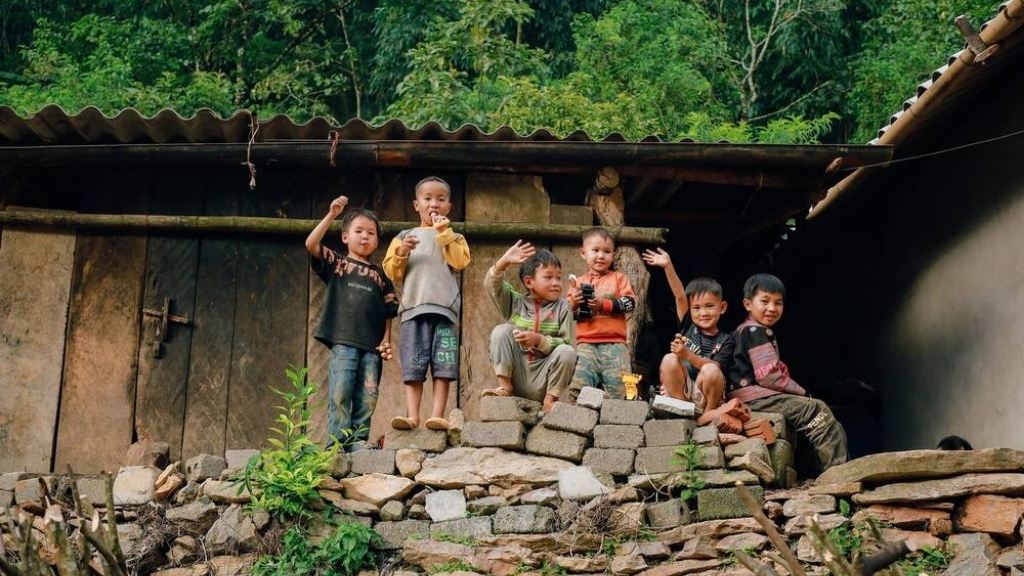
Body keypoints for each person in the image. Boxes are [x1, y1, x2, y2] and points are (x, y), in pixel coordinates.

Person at [728, 273, 848, 472]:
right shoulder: (755, 331)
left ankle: (825, 472)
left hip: (747, 398)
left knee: (824, 420)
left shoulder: (742, 331)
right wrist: (801, 392)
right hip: (755, 397)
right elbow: (768, 375)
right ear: (748, 304)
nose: (772, 308)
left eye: (778, 303)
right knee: (816, 410)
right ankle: (839, 474)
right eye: (765, 301)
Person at [305, 196, 398, 451]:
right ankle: (336, 444)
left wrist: (386, 339)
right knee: (341, 393)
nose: (365, 236)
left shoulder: (381, 276)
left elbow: (390, 309)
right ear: (345, 237)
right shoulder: (338, 264)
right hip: (344, 342)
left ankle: (357, 442)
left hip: (372, 348)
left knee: (368, 396)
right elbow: (311, 243)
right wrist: (331, 215)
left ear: (377, 240)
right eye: (358, 231)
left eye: (371, 233)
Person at [382, 176, 471, 431]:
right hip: (413, 311)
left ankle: (438, 414)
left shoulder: (456, 238)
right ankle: (412, 416)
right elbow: (392, 272)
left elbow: (459, 262)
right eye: (428, 198)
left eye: (440, 200)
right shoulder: (404, 236)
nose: (434, 204)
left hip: (445, 312)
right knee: (414, 365)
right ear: (416, 204)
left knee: (443, 365)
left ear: (449, 207)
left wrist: (444, 234)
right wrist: (402, 252)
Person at [643, 248, 745, 432]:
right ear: (690, 311)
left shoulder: (727, 340)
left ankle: (708, 416)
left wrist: (687, 354)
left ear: (722, 308)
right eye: (696, 308)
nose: (703, 313)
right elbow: (679, 295)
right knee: (669, 359)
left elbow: (714, 369)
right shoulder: (688, 325)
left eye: (709, 306)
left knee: (710, 369)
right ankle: (682, 411)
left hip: (707, 395)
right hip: (683, 392)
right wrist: (668, 266)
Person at [481, 241, 577, 413]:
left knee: (567, 351)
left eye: (558, 277)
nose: (556, 282)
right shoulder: (515, 302)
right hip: (518, 374)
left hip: (544, 378)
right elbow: (491, 286)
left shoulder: (563, 307)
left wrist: (540, 341)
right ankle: (505, 387)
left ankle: (550, 401)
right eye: (548, 277)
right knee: (501, 331)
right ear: (529, 282)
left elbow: (566, 342)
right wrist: (504, 262)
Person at [566, 227, 636, 400]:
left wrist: (602, 304)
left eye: (606, 251)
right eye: (595, 250)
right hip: (585, 346)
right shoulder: (578, 282)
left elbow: (630, 303)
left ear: (613, 254)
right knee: (577, 391)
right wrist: (574, 303)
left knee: (627, 394)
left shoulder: (619, 278)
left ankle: (628, 424)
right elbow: (566, 314)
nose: (601, 256)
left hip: (616, 345)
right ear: (583, 253)